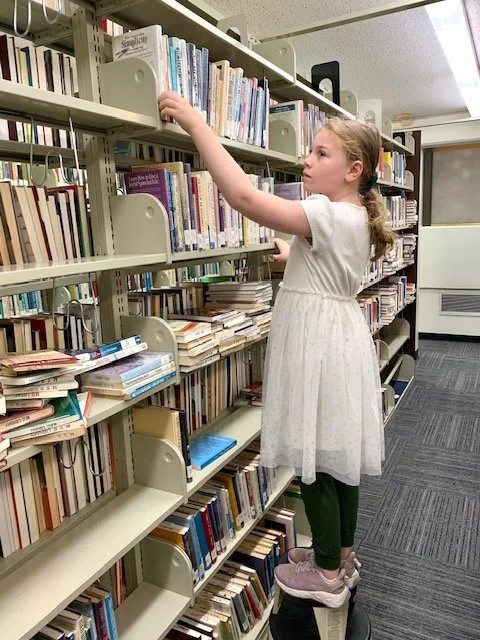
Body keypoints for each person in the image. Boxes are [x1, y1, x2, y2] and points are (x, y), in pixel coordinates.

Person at [158, 91, 395, 608]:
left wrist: (198, 124)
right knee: (338, 458)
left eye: (321, 154)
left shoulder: (324, 213)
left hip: (318, 347)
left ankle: (328, 577)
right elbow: (328, 265)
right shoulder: (349, 215)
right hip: (339, 340)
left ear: (354, 169)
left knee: (313, 460)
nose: (306, 160)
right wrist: (294, 253)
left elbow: (243, 198)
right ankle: (341, 557)